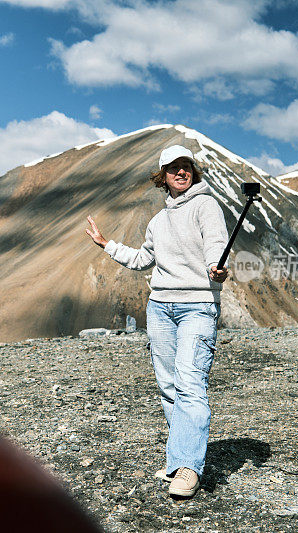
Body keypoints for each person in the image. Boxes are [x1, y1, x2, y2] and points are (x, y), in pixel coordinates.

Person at [85, 144, 229, 498]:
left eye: (186, 166)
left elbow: (216, 244)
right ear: (162, 176)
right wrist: (106, 244)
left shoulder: (206, 205)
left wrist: (217, 268)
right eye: (173, 168)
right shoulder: (158, 221)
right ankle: (179, 459)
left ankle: (189, 469)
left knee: (190, 383)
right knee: (168, 385)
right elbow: (141, 259)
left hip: (197, 305)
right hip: (160, 308)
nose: (181, 172)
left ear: (193, 171)